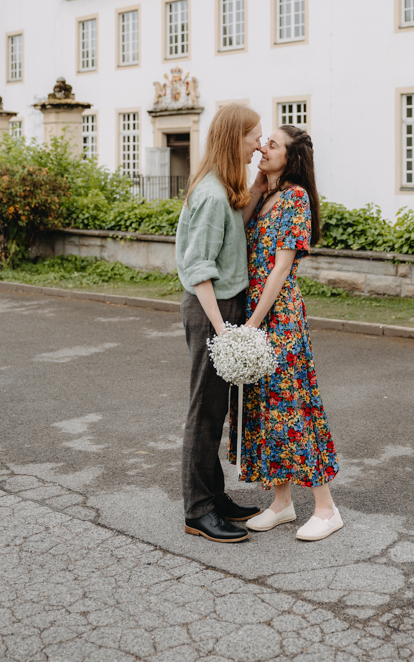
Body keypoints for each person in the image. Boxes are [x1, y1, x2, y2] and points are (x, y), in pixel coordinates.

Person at [231, 124, 342, 541]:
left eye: (272, 144)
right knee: (266, 407)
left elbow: (281, 267)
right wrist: (259, 187)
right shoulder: (267, 196)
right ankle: (281, 503)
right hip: (258, 312)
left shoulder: (295, 198)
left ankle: (327, 508)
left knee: (294, 405)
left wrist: (253, 324)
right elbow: (239, 228)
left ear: (290, 158)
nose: (263, 147)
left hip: (279, 317)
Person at [177, 103, 263, 543]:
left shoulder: (221, 191)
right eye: (253, 137)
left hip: (223, 309)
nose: (258, 145)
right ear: (236, 138)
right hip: (213, 311)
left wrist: (260, 186)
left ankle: (215, 496)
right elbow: (199, 267)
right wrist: (223, 329)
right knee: (204, 411)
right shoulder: (211, 195)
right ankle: (198, 510)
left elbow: (234, 234)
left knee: (217, 409)